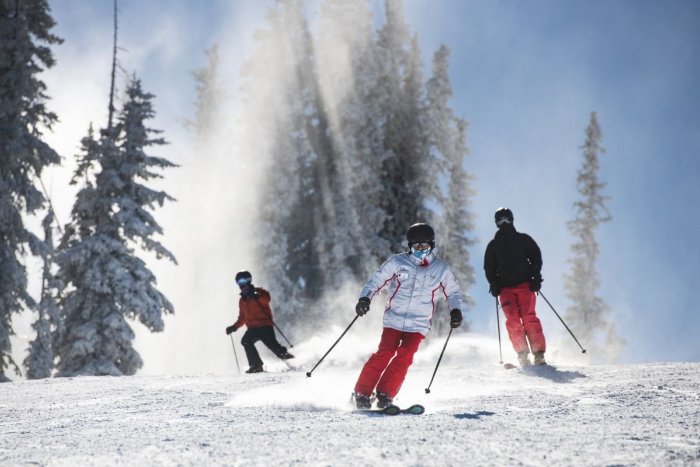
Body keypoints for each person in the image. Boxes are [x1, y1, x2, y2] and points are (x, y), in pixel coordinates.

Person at [352, 223, 463, 409]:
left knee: (405, 355)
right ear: (410, 246)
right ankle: (362, 392)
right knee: (384, 353)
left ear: (432, 245)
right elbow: (377, 280)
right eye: (416, 246)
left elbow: (453, 293)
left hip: (418, 323)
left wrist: (456, 310)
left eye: (425, 246)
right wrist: (365, 298)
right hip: (394, 319)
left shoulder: (440, 269)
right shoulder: (398, 262)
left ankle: (385, 393)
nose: (421, 250)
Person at [484, 207, 547, 367]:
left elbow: (536, 257)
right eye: (500, 220)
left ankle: (539, 354)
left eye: (507, 219)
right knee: (513, 321)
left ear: (512, 220)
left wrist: (536, 277)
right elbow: (489, 267)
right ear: (497, 223)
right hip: (506, 289)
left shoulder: (523, 239)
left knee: (528, 317)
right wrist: (494, 283)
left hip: (525, 285)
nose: (504, 223)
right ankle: (522, 354)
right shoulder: (493, 245)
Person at [225, 270, 294, 373]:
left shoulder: (259, 292)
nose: (241, 285)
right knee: (246, 341)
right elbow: (243, 318)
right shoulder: (242, 300)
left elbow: (266, 298)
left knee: (273, 346)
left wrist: (257, 295)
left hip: (265, 326)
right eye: (239, 282)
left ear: (249, 281)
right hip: (252, 328)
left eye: (243, 281)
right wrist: (234, 327)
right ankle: (256, 365)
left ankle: (292, 361)